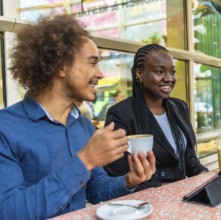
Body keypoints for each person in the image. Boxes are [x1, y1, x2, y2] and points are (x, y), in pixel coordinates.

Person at [0, 14, 156, 220]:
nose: (100, 74)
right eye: (93, 63)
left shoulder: (83, 126)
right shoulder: (5, 128)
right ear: (60, 66)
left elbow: (96, 189)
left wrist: (129, 180)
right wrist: (85, 160)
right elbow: (10, 211)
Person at [103, 44, 208, 190]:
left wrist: (205, 176)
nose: (169, 78)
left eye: (172, 72)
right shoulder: (121, 114)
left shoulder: (179, 107)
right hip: (147, 202)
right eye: (160, 72)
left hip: (182, 196)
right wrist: (167, 189)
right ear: (139, 73)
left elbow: (189, 159)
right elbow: (117, 173)